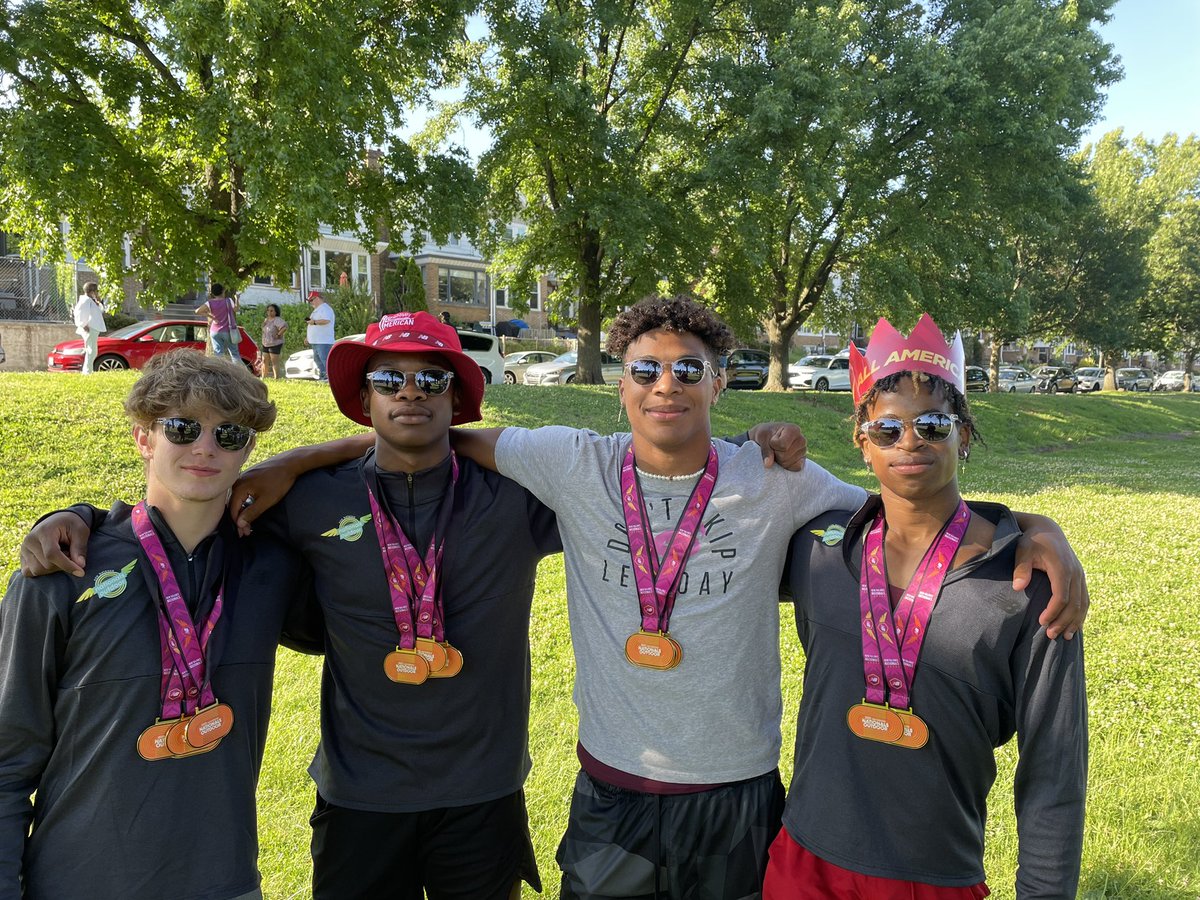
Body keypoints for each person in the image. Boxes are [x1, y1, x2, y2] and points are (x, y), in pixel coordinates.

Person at [440, 295, 1088, 899]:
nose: (667, 384)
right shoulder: (570, 460)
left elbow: (906, 508)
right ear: (621, 384)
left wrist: (1030, 528)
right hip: (613, 787)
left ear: (720, 381)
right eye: (646, 369)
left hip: (737, 794)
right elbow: (436, 441)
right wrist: (349, 451)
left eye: (689, 368)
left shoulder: (778, 482)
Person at [19, 312, 562, 899]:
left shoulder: (516, 495)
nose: (410, 392)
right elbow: (172, 525)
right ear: (362, 396)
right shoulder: (306, 500)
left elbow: (620, 482)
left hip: (483, 792)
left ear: (457, 397)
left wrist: (296, 457)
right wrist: (81, 516)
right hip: (358, 795)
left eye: (432, 380)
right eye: (388, 380)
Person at [764, 314, 1087, 898]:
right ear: (862, 444)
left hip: (934, 876)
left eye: (933, 425)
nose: (910, 441)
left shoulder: (1030, 583)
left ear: (964, 435)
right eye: (887, 429)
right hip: (803, 859)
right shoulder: (818, 549)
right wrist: (753, 440)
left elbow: (1055, 769)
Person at [0, 350, 316, 900]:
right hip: (76, 882)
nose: (205, 447)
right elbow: (6, 756)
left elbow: (397, 466)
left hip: (225, 883)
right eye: (183, 427)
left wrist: (305, 461)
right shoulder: (60, 568)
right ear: (143, 437)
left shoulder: (272, 568)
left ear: (250, 450)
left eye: (230, 434)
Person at [195, 282, 241, 364]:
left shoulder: (209, 303)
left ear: (213, 293)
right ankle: (240, 373)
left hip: (215, 331)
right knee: (234, 354)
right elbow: (236, 309)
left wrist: (211, 316)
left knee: (218, 354)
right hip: (228, 331)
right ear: (223, 291)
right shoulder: (228, 301)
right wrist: (237, 299)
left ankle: (219, 373)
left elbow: (197, 311)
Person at [72, 281, 106, 374]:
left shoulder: (91, 300)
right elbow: (80, 313)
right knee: (91, 350)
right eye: (96, 291)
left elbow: (100, 311)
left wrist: (98, 301)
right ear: (92, 291)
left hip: (93, 328)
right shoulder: (86, 300)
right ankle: (87, 372)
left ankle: (88, 371)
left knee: (92, 350)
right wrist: (83, 325)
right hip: (90, 328)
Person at [305, 290, 335, 382]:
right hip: (316, 341)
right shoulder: (317, 310)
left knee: (325, 359)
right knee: (318, 359)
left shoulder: (325, 308)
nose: (310, 303)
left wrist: (314, 322)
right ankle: (323, 376)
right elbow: (312, 326)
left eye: (311, 300)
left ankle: (329, 377)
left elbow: (326, 320)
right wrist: (308, 337)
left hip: (323, 341)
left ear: (317, 298)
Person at [259, 303, 288, 378]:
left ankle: (276, 378)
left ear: (276, 312)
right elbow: (262, 328)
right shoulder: (266, 320)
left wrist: (278, 334)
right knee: (264, 361)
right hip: (265, 343)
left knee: (274, 361)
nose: (269, 312)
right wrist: (264, 323)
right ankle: (263, 377)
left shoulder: (277, 320)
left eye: (271, 311)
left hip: (275, 343)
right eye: (268, 310)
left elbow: (284, 327)